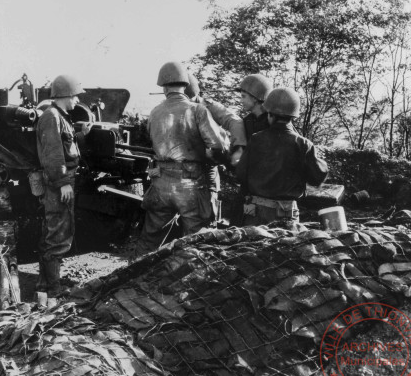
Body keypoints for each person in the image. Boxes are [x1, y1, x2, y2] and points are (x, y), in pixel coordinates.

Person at [136, 62, 228, 256]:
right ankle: (189, 282)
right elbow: (218, 146)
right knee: (195, 240)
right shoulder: (197, 110)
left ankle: (134, 277)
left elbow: (148, 141)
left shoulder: (154, 112)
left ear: (163, 87)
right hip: (191, 183)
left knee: (151, 237)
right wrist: (210, 159)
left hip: (160, 182)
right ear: (185, 85)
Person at [235, 87, 328, 226]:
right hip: (286, 214)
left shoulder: (256, 139)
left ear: (269, 114)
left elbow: (240, 175)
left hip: (255, 213)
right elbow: (317, 177)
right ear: (293, 116)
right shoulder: (303, 144)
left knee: (252, 247)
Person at [35, 74, 88, 296]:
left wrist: (80, 135)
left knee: (54, 231)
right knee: (58, 234)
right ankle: (54, 290)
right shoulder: (51, 116)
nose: (77, 100)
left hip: (62, 181)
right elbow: (54, 155)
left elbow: (64, 144)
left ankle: (45, 285)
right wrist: (63, 183)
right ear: (66, 94)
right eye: (75, 96)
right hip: (59, 184)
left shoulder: (59, 116)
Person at [184, 73, 246, 222]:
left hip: (206, 169)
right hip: (182, 171)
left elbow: (235, 122)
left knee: (207, 215)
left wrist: (239, 149)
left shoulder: (208, 106)